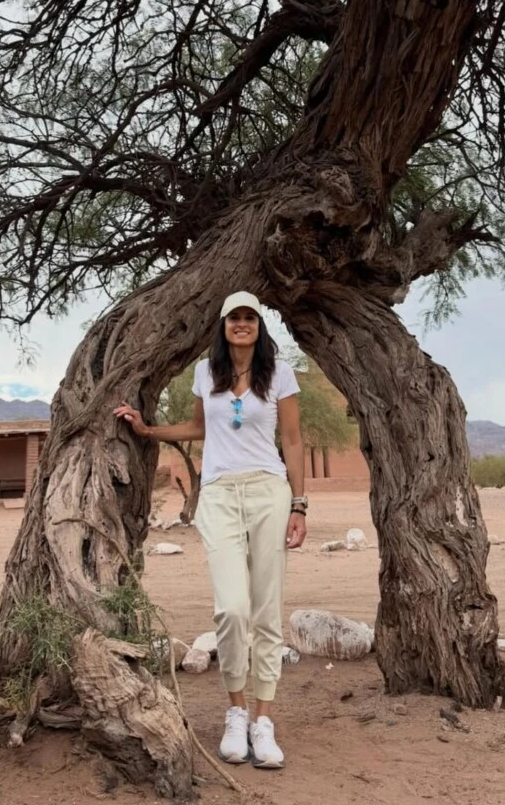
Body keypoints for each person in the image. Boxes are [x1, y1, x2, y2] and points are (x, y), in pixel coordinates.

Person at [114, 290, 307, 769]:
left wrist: (299, 505)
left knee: (266, 609)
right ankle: (235, 711)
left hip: (268, 491)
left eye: (249, 317)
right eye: (233, 317)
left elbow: (293, 439)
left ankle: (263, 719)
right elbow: (199, 428)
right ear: (223, 326)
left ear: (260, 326)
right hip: (219, 495)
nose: (241, 324)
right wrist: (147, 431)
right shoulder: (206, 373)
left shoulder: (279, 374)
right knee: (232, 609)